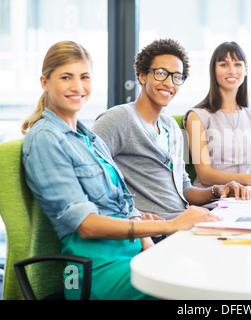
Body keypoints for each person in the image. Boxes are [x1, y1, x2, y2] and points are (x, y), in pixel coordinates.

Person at [21, 41, 220, 300]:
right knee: (197, 288)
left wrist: (148, 245)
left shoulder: (87, 138)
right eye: (66, 77)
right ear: (45, 82)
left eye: (84, 77)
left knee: (214, 271)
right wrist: (170, 225)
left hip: (129, 251)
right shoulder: (46, 140)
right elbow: (85, 226)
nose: (77, 86)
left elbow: (126, 205)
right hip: (96, 267)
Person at [92, 39, 251, 221]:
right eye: (161, 73)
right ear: (142, 76)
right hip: (155, 229)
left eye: (176, 76)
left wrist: (218, 190)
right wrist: (134, 216)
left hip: (183, 220)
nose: (169, 83)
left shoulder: (172, 127)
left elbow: (185, 190)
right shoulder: (119, 119)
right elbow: (89, 175)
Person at [183, 41, 251, 188]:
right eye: (224, 65)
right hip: (211, 200)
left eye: (237, 64)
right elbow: (205, 176)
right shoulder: (197, 116)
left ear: (246, 70)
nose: (232, 71)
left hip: (243, 197)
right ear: (213, 70)